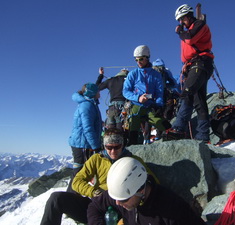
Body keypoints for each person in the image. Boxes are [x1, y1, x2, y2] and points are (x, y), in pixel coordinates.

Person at [40, 128, 157, 225]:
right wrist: (93, 191)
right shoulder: (97, 159)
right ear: (104, 146)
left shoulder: (133, 161)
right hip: (97, 206)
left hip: (124, 208)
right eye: (109, 147)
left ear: (123, 145)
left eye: (117, 147)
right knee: (56, 199)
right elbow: (77, 181)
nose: (112, 151)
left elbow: (152, 183)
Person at [87, 157, 206, 225]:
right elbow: (94, 207)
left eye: (123, 199)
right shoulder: (123, 192)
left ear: (141, 190)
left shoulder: (172, 209)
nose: (117, 203)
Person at [166, 4, 214, 143]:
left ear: (188, 16)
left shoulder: (199, 25)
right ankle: (203, 136)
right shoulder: (190, 28)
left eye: (182, 19)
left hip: (201, 63)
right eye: (179, 20)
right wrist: (186, 64)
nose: (181, 23)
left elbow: (189, 39)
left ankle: (179, 128)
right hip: (195, 64)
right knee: (199, 101)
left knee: (187, 92)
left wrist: (179, 32)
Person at [122, 45, 171, 145]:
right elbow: (125, 91)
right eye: (136, 60)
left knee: (165, 125)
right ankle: (132, 150)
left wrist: (158, 105)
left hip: (150, 106)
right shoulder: (133, 74)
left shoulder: (155, 74)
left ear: (147, 58)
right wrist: (138, 98)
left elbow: (159, 91)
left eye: (141, 59)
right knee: (133, 130)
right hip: (136, 106)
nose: (138, 62)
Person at [67, 82, 102, 193]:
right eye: (97, 91)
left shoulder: (89, 104)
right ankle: (70, 197)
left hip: (82, 143)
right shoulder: (87, 105)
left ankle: (71, 196)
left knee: (81, 170)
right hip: (83, 144)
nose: (99, 92)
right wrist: (96, 146)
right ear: (93, 93)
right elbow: (87, 128)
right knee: (80, 172)